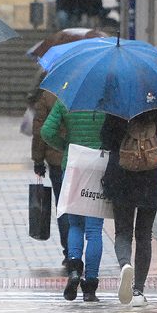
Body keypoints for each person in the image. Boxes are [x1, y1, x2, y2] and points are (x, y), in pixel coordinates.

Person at [100, 109, 157, 307]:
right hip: (152, 176)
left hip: (121, 174)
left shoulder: (119, 104)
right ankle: (138, 290)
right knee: (144, 234)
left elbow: (106, 140)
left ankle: (125, 265)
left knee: (123, 232)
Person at [41, 103, 105, 302]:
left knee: (75, 224)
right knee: (94, 230)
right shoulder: (107, 101)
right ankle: (91, 285)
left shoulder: (67, 99)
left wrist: (66, 146)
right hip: (99, 164)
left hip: (73, 164)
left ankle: (75, 269)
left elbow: (47, 131)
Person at [29, 69, 68, 267]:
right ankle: (80, 249)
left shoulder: (48, 95)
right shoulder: (83, 92)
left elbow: (40, 131)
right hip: (83, 159)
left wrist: (38, 160)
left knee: (62, 206)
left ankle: (69, 251)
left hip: (56, 160)